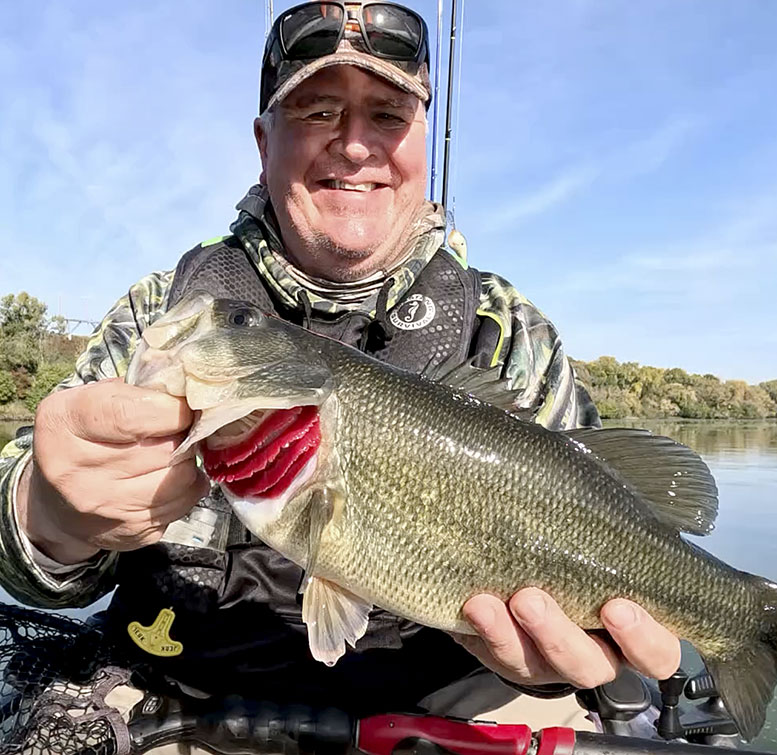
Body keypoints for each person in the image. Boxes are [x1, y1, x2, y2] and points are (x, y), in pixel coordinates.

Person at [0, 2, 681, 750]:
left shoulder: (507, 335)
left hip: (459, 713)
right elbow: (25, 565)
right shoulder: (171, 315)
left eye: (387, 114)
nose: (355, 146)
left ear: (421, 142)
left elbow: (613, 547)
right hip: (185, 700)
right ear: (263, 144)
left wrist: (552, 667)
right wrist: (48, 518)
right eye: (317, 109)